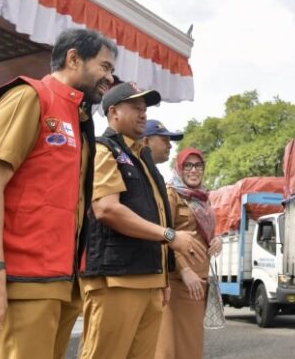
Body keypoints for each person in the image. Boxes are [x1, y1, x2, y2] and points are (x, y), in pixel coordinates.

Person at [0, 28, 117, 358]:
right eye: (105, 66)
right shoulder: (31, 97)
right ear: (74, 58)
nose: (110, 78)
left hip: (57, 281)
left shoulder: (77, 118)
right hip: (19, 280)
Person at [80, 83, 202, 359]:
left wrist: (163, 278)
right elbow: (107, 210)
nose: (143, 113)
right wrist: (170, 235)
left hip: (150, 281)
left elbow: (155, 213)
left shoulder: (142, 158)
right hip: (116, 280)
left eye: (145, 108)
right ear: (113, 112)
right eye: (135, 107)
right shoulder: (105, 149)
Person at [154, 148, 221, 359]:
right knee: (169, 348)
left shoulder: (203, 197)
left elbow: (205, 233)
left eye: (198, 165)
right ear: (180, 169)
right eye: (188, 165)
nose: (194, 170)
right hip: (178, 281)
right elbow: (163, 236)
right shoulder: (172, 194)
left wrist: (217, 240)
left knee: (191, 346)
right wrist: (184, 270)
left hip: (200, 281)